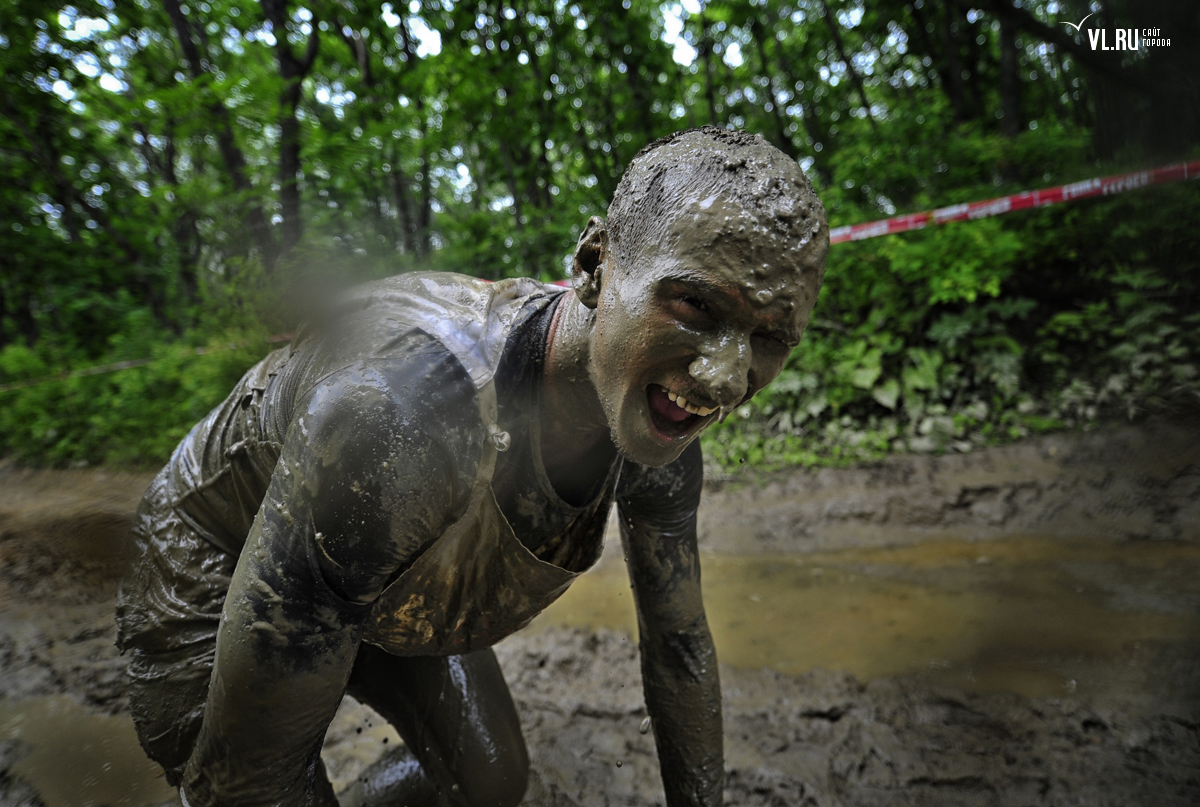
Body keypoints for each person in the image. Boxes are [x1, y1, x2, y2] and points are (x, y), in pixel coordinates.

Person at [115, 126, 828, 807]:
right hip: (212, 559)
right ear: (593, 266)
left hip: (371, 563)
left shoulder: (657, 422)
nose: (724, 378)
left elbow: (677, 645)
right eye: (695, 304)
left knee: (488, 782)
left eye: (769, 336)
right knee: (247, 783)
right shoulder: (402, 416)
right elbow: (246, 784)